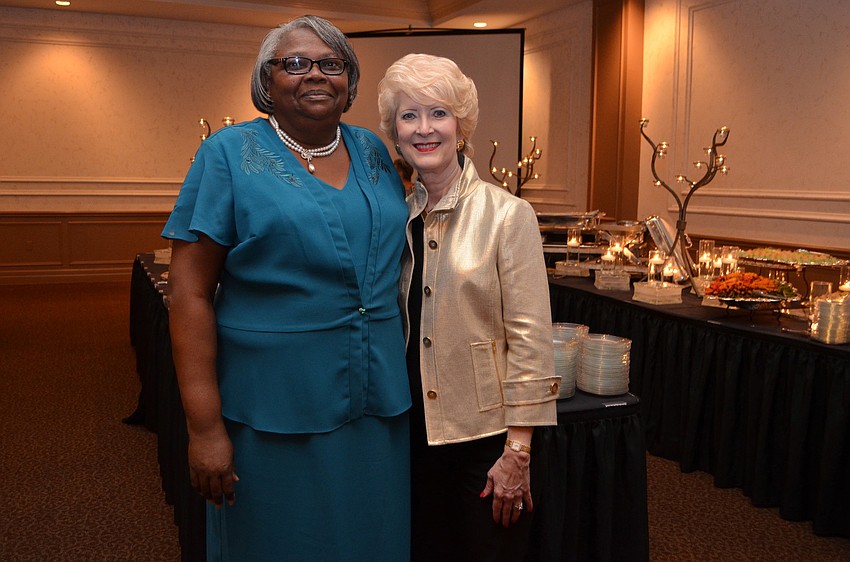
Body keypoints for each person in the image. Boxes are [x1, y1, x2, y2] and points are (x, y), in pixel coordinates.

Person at [162, 16, 410, 562]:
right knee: (278, 541)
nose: (314, 74)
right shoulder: (227, 154)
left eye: (331, 63)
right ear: (265, 81)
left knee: (372, 535)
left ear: (350, 79)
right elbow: (190, 295)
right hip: (274, 405)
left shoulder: (372, 149)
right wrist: (203, 427)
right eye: (294, 63)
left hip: (376, 399)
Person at [377, 53, 560, 562]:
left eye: (438, 113)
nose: (424, 129)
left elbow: (530, 336)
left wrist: (518, 452)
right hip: (412, 432)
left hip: (485, 440)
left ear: (461, 124)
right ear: (395, 130)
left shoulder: (508, 215)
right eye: (409, 115)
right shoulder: (396, 217)